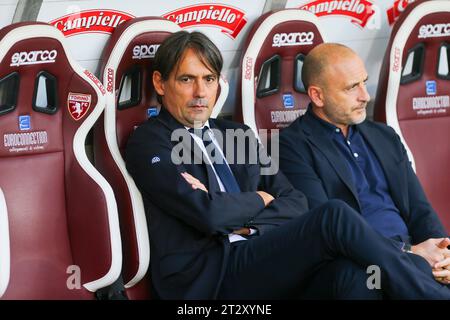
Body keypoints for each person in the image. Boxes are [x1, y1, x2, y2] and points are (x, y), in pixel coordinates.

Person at [125, 31, 450, 299]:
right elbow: (208, 214)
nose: (200, 92)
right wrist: (260, 201)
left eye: (208, 79)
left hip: (262, 259)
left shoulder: (235, 134)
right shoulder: (151, 141)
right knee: (333, 215)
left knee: (354, 277)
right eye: (186, 79)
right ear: (159, 82)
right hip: (209, 281)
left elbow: (295, 204)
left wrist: (247, 223)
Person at [278, 43, 450, 290]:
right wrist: (409, 252)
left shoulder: (384, 136)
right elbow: (326, 229)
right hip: (359, 261)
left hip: (416, 254)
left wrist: (444, 252)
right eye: (351, 88)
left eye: (364, 82)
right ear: (317, 95)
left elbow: (419, 208)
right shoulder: (291, 146)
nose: (365, 96)